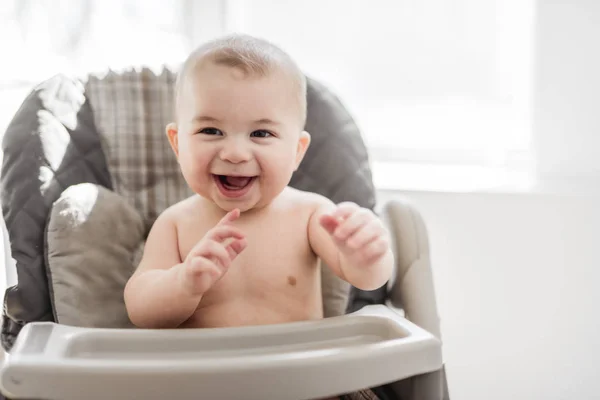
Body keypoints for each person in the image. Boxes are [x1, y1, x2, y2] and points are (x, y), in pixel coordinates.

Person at [124, 34, 393, 400]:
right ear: (177, 143)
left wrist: (368, 255)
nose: (235, 152)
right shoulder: (175, 224)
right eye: (210, 130)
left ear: (297, 151)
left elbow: (364, 277)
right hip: (202, 389)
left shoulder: (311, 214)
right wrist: (184, 283)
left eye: (261, 133)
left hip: (305, 385)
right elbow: (141, 308)